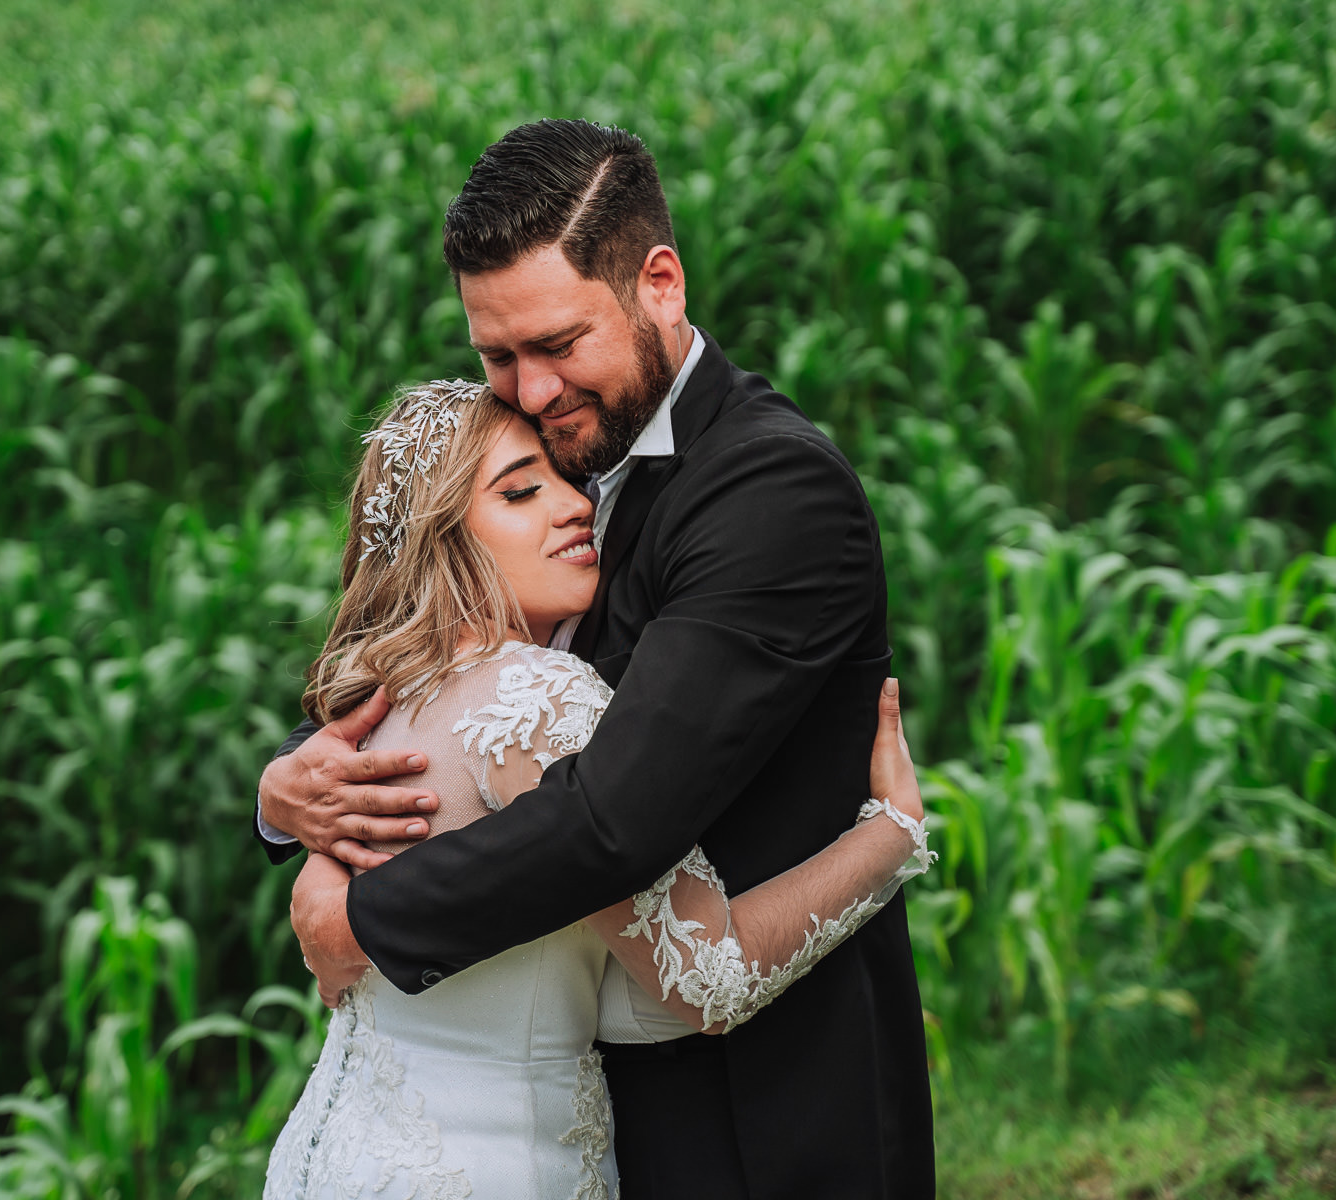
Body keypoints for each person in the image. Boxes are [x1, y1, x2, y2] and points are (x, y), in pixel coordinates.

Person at [259, 119, 936, 1197]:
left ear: (658, 282)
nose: (526, 390)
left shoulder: (771, 494)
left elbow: (611, 816)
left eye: (558, 345)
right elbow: (443, 652)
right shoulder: (559, 456)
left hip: (759, 1117)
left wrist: (361, 917)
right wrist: (293, 787)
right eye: (496, 356)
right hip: (581, 1105)